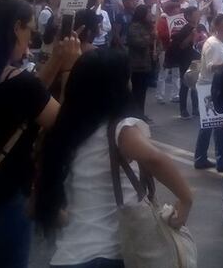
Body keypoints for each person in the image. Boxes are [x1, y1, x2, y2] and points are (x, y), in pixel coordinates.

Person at [34, 48, 193, 268]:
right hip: (107, 255)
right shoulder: (121, 129)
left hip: (68, 256)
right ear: (118, 87)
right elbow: (155, 159)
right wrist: (186, 199)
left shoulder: (65, 131)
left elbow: (40, 199)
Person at [0, 0, 79, 267]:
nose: (32, 37)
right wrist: (69, 67)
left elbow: (28, 103)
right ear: (16, 28)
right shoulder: (19, 85)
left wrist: (53, 62)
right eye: (30, 29)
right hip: (3, 204)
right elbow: (69, 126)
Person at [194, 15, 223, 172]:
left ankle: (201, 157)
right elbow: (211, 67)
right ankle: (221, 160)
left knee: (209, 124)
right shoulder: (214, 44)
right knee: (219, 125)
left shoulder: (216, 42)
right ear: (216, 27)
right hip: (210, 87)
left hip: (210, 87)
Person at [126, 4, 155, 120]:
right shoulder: (134, 27)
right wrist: (150, 37)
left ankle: (140, 113)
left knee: (142, 91)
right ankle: (135, 114)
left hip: (146, 63)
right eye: (148, 13)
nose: (150, 15)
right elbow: (137, 43)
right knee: (137, 90)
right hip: (137, 64)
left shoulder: (148, 26)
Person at [172, 6, 201, 119]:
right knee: (185, 85)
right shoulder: (185, 29)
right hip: (186, 60)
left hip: (197, 58)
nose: (197, 14)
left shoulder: (200, 27)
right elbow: (182, 45)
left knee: (196, 84)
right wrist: (191, 35)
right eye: (195, 13)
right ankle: (183, 109)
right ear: (188, 16)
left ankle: (195, 108)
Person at [155, 1, 181, 104]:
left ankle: (175, 95)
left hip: (176, 49)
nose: (178, 10)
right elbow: (162, 34)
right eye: (176, 8)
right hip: (166, 49)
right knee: (163, 73)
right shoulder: (163, 20)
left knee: (176, 73)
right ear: (171, 10)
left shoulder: (179, 19)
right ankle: (160, 95)